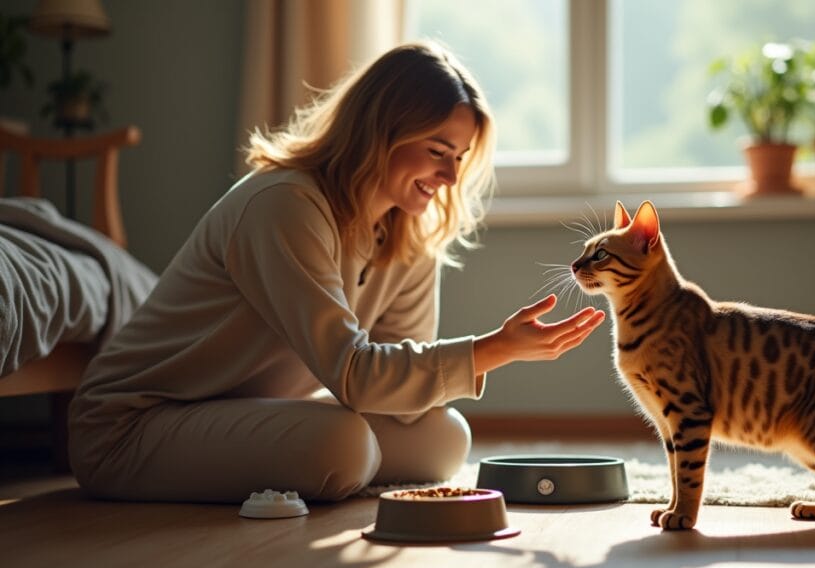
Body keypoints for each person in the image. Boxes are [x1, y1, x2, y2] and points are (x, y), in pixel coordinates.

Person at [67, 41, 605, 503]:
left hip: (250, 412)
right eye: (438, 151)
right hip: (135, 424)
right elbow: (355, 373)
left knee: (442, 438)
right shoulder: (286, 206)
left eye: (459, 158)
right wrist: (496, 348)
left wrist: (480, 356)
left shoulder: (409, 234)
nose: (448, 176)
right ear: (381, 132)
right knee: (341, 447)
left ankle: (316, 464)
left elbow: (400, 385)